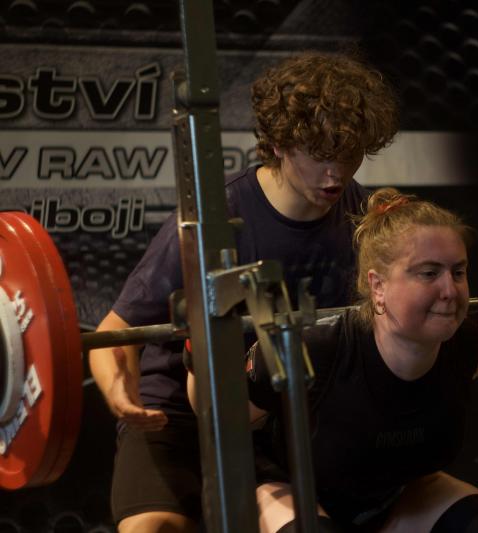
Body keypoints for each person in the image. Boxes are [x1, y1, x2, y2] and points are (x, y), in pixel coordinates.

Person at [88, 51, 399, 532]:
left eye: (348, 153)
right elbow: (115, 331)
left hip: (280, 420)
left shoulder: (363, 217)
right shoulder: (216, 219)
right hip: (175, 414)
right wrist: (118, 393)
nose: (336, 172)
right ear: (277, 143)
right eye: (319, 153)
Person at [186, 188, 478, 532]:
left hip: (388, 498)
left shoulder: (461, 345)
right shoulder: (317, 349)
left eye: (458, 272)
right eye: (429, 273)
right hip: (288, 488)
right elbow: (216, 413)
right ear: (377, 287)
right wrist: (201, 344)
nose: (450, 290)